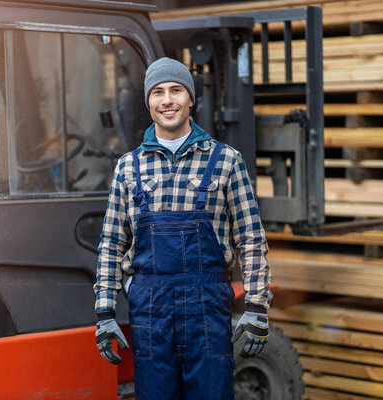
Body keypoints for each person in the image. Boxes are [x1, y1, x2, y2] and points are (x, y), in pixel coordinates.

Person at [93, 57, 272, 399]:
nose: (167, 100)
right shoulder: (128, 168)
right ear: (148, 101)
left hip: (206, 311)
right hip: (150, 314)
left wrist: (257, 306)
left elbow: (250, 238)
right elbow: (112, 243)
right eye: (158, 92)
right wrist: (104, 311)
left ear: (191, 99)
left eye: (176, 90)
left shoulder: (226, 161)